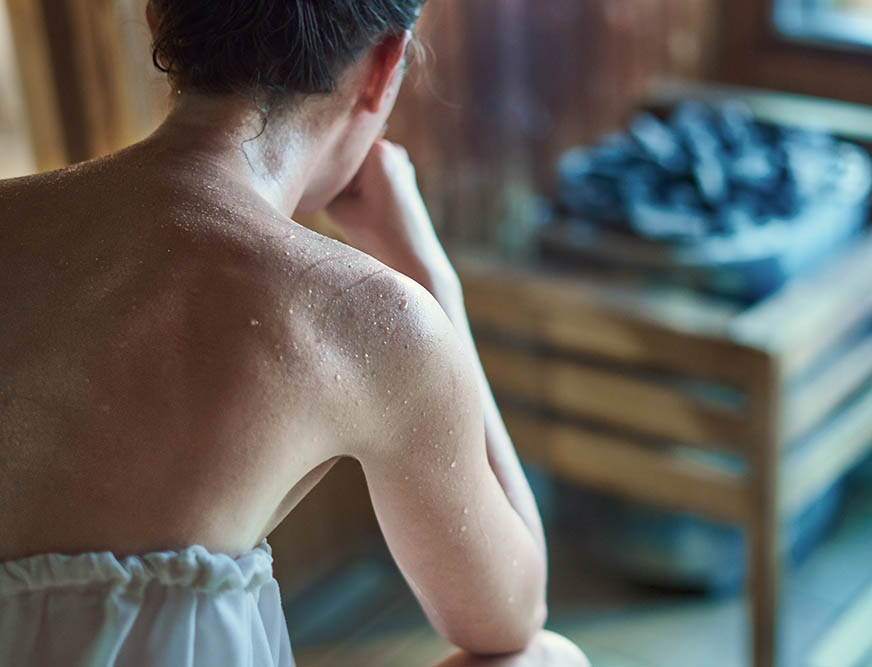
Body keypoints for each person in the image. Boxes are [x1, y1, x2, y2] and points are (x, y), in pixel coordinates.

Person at [0, 2, 589, 665]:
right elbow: (512, 609)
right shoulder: (364, 316)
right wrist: (431, 284)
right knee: (541, 660)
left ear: (159, 19)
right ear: (383, 66)